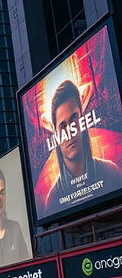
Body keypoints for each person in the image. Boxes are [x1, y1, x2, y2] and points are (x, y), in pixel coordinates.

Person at [44, 80, 122, 215]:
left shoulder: (112, 172)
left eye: (74, 119)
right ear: (55, 135)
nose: (70, 131)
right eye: (62, 126)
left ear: (83, 120)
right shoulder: (52, 201)